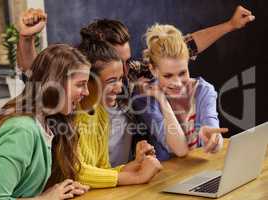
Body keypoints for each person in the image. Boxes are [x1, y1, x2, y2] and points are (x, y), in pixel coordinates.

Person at [17, 5, 255, 166]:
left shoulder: (129, 72)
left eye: (127, 60)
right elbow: (37, 72)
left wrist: (230, 25)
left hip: (123, 173)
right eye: (117, 64)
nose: (125, 69)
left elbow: (178, 48)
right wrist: (27, 38)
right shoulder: (75, 85)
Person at [0, 44, 91, 199]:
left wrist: (63, 189)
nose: (87, 92)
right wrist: (45, 198)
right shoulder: (21, 129)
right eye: (81, 84)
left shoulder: (47, 124)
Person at [68, 35, 162, 188]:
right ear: (88, 80)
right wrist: (137, 176)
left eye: (120, 79)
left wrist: (137, 163)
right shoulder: (69, 116)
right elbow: (78, 172)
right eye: (111, 81)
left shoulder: (101, 113)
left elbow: (103, 170)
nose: (119, 88)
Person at [132, 24, 229, 161]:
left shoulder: (203, 90)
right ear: (153, 70)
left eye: (183, 73)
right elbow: (180, 150)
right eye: (168, 76)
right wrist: (162, 100)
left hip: (200, 168)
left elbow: (213, 132)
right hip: (167, 177)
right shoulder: (145, 99)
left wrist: (214, 140)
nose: (177, 83)